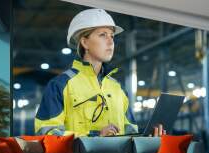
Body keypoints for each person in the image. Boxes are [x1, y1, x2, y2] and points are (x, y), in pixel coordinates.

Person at [34, 8, 139, 137]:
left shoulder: (118, 89)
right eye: (103, 35)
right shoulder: (60, 86)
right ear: (84, 42)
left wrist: (150, 136)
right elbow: (48, 134)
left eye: (112, 36)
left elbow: (132, 132)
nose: (111, 41)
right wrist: (94, 136)